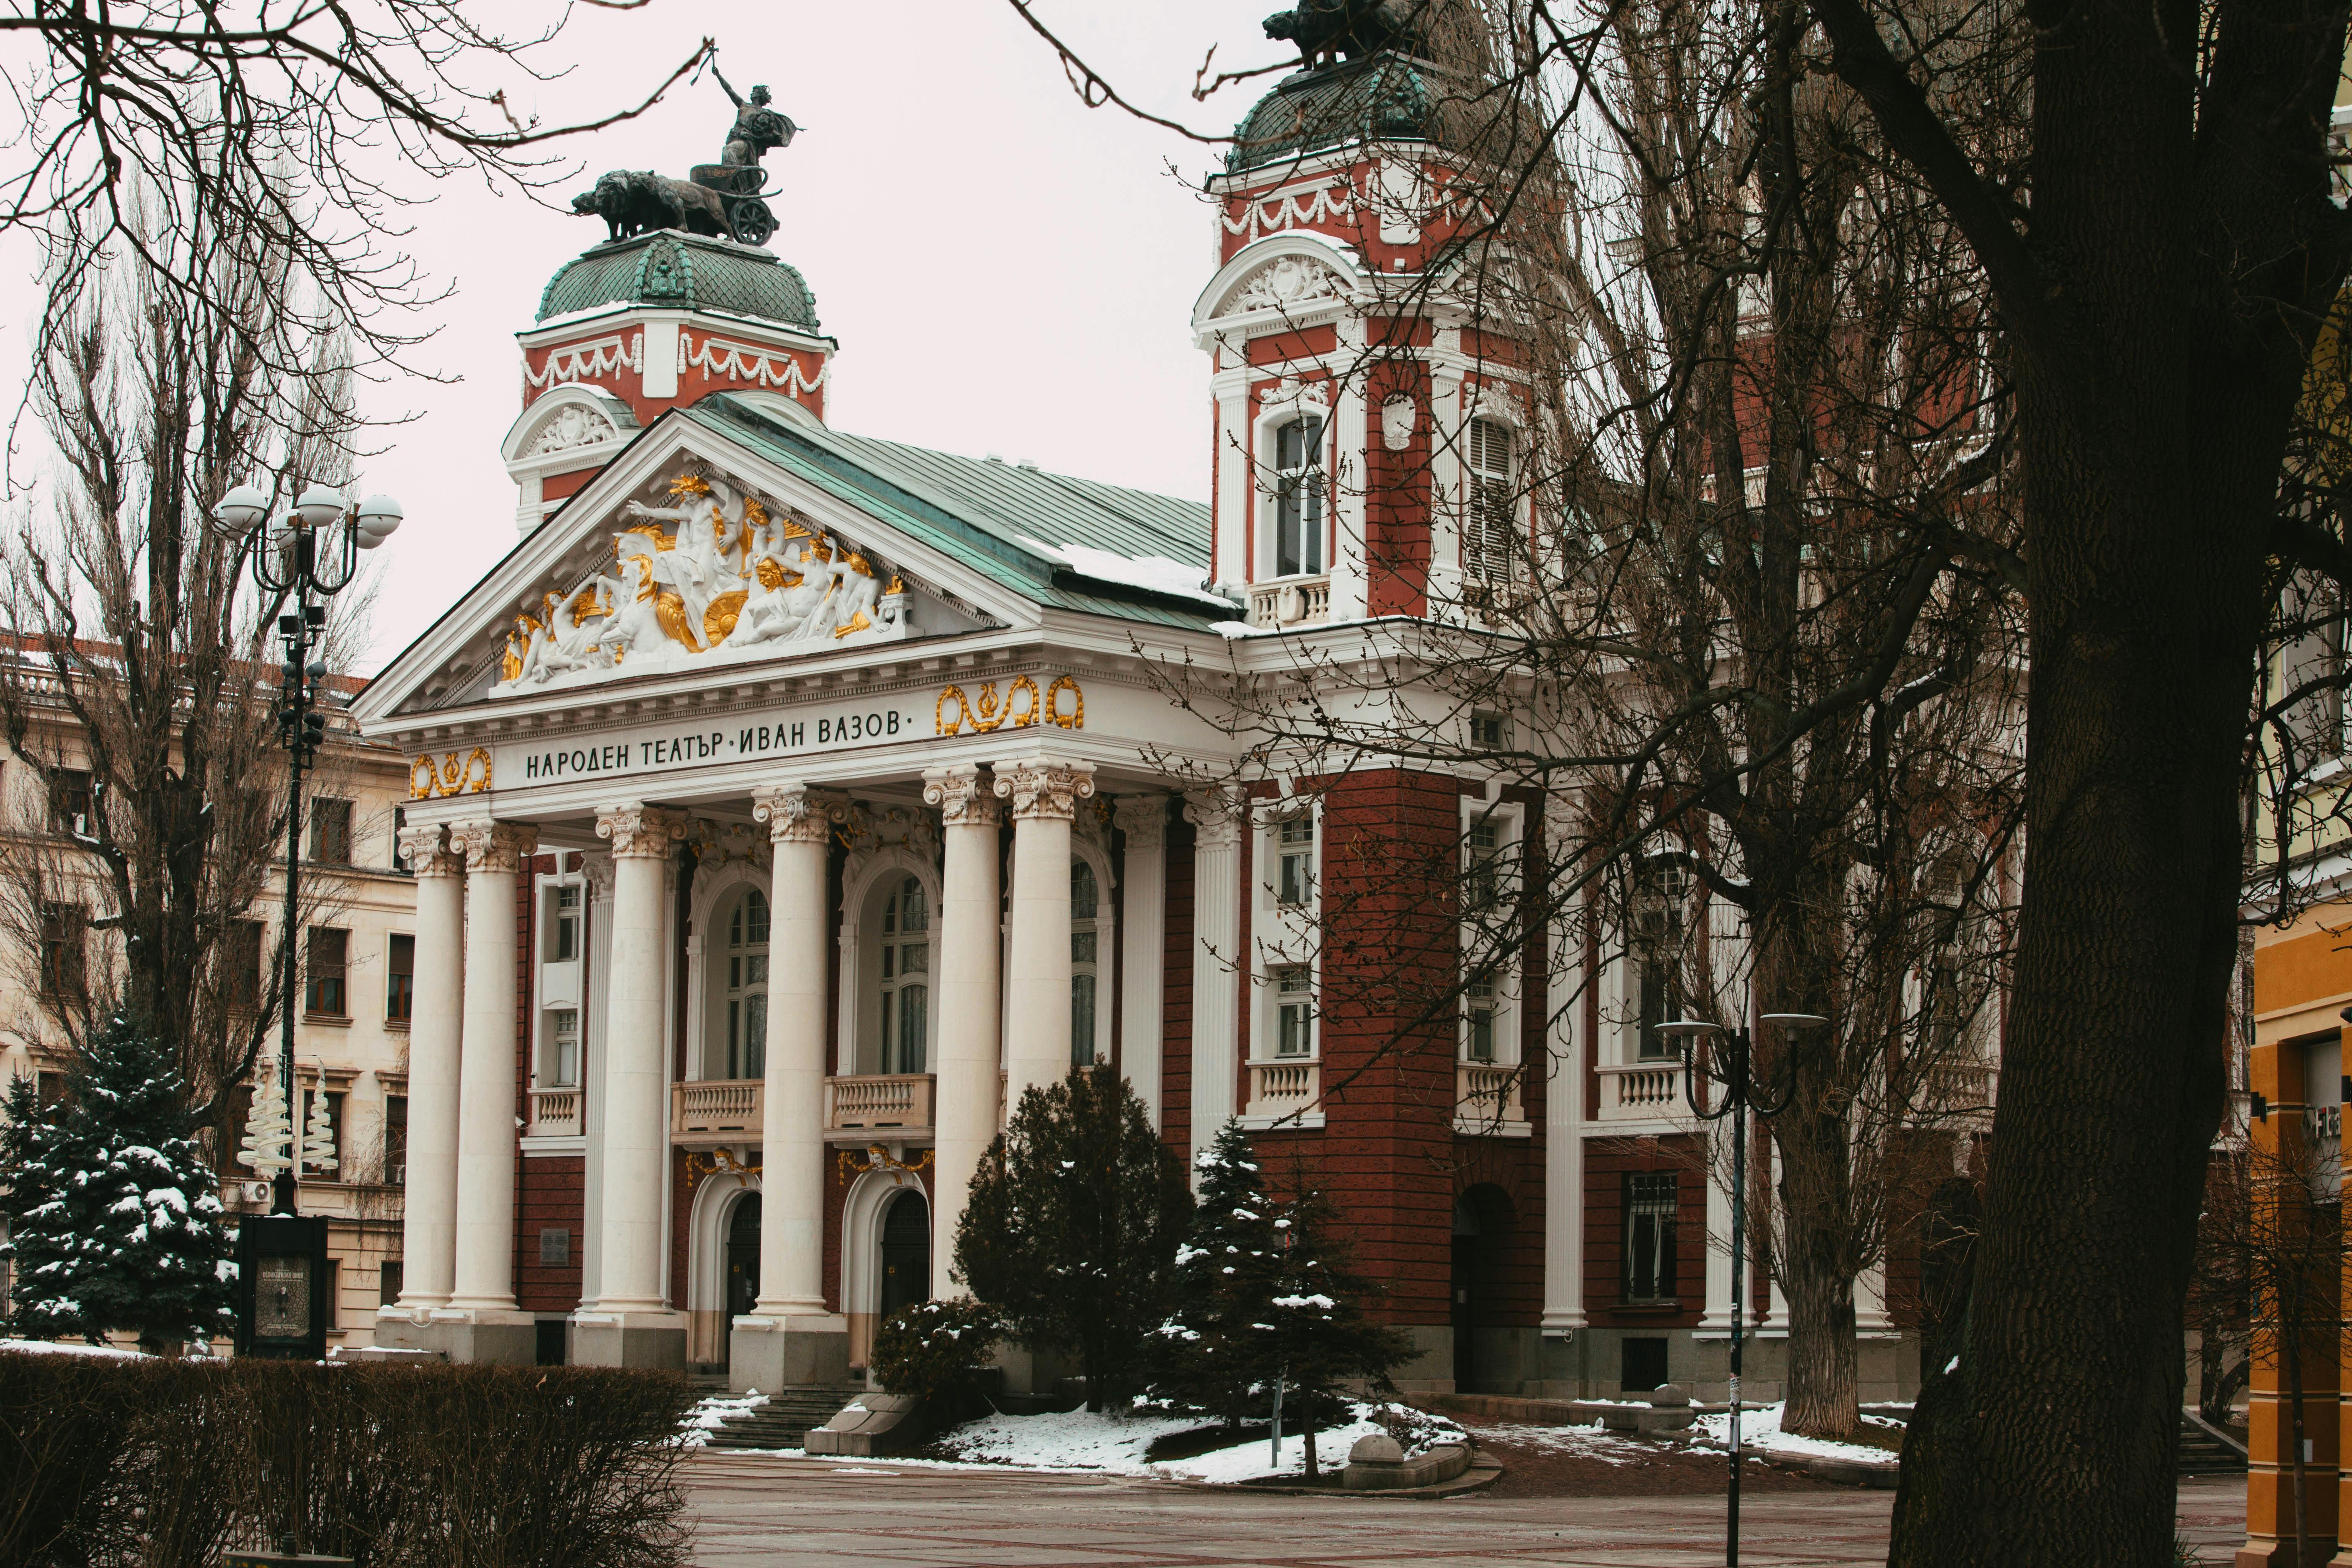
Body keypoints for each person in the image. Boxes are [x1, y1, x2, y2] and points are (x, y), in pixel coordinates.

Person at [713, 66, 798, 170]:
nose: (752, 93)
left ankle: (731, 178)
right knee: (729, 157)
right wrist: (719, 76)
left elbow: (773, 135)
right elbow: (730, 90)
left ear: (760, 95)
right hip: (733, 136)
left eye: (755, 91)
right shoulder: (743, 105)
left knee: (728, 151)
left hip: (746, 142)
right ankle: (733, 183)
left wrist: (752, 137)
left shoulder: (764, 113)